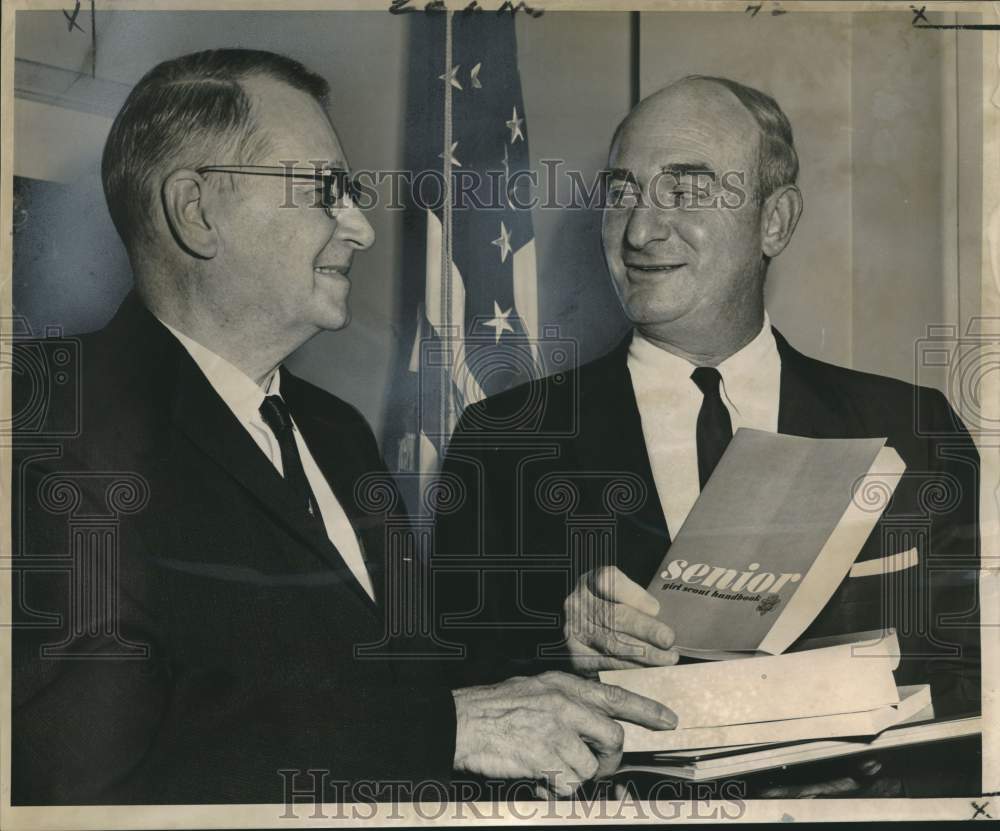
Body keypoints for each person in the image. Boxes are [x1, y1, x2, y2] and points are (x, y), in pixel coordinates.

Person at [9, 48, 678, 806]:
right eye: (326, 190)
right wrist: (438, 728)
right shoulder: (47, 425)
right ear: (195, 211)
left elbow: (411, 683)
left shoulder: (335, 433)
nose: (360, 228)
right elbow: (80, 779)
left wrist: (562, 646)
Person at [436, 76, 981, 795]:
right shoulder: (503, 440)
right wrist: (559, 645)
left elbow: (977, 669)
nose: (638, 231)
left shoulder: (913, 428)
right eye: (623, 192)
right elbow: (448, 695)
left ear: (774, 221)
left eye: (685, 192)